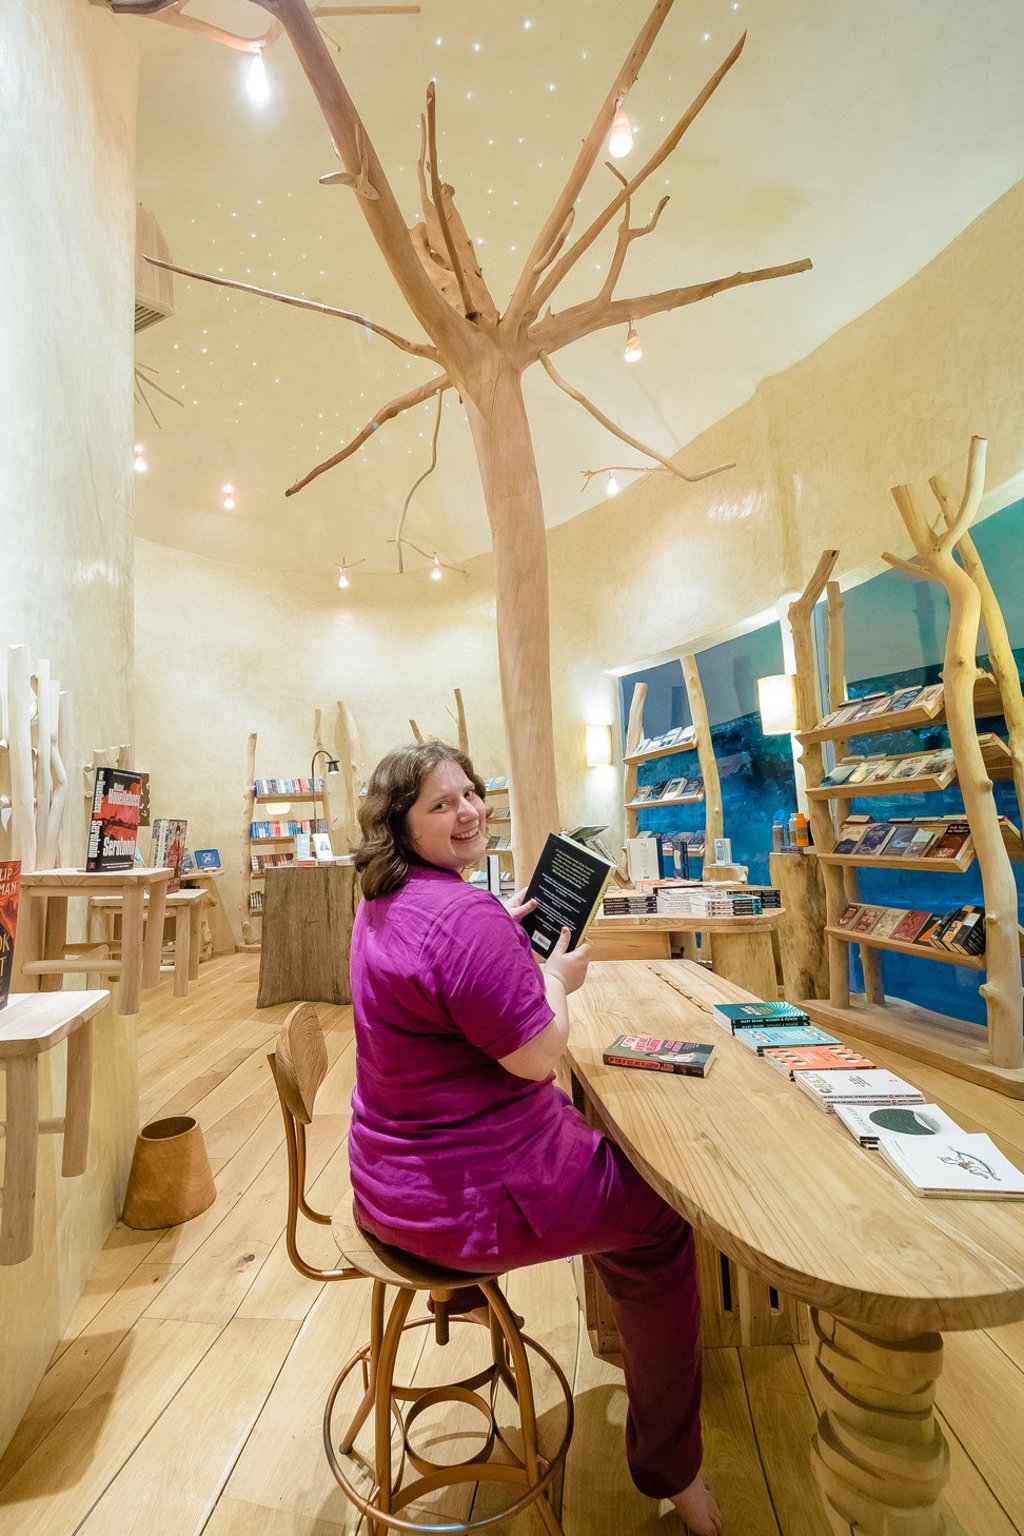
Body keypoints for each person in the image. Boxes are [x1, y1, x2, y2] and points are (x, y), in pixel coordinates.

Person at [348, 741, 722, 1536]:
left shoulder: (383, 899)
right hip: (465, 1204)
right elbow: (538, 1054)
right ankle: (673, 1466)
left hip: (385, 1184)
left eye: (471, 794)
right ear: (399, 824)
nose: (469, 811)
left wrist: (503, 938)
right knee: (658, 1223)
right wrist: (554, 977)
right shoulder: (461, 916)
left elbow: (450, 988)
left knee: (595, 1147)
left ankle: (461, 1297)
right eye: (441, 805)